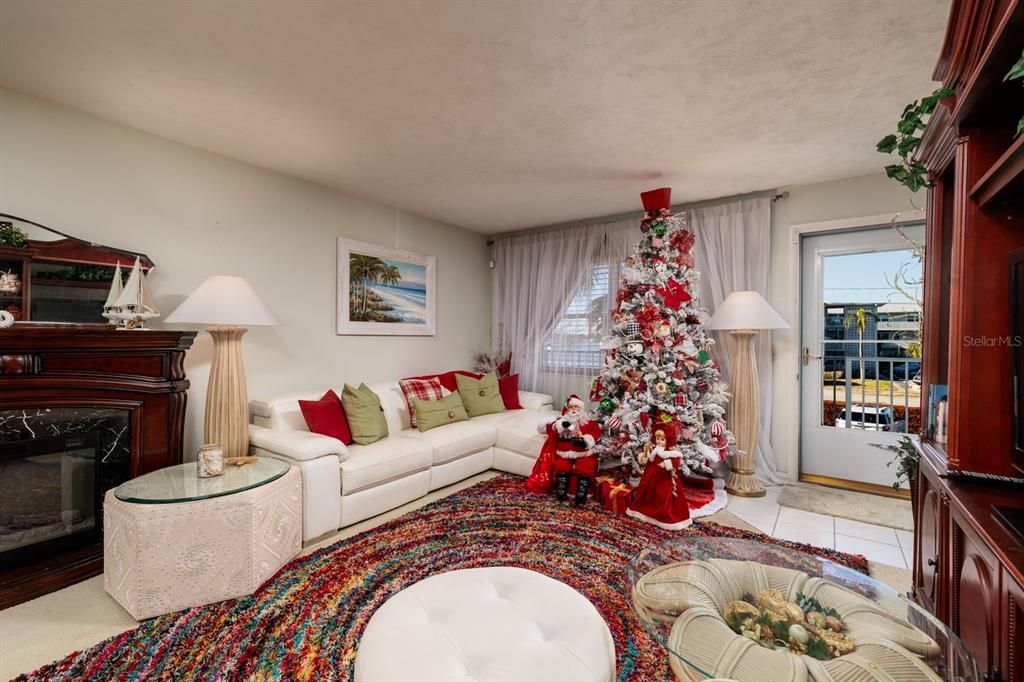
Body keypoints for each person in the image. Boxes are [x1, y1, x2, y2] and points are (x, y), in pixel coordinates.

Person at [526, 394, 602, 506]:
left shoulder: (589, 423)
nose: (574, 410)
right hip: (564, 453)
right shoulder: (562, 421)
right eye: (571, 407)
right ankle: (561, 495)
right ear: (567, 409)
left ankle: (581, 497)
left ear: (581, 409)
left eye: (577, 407)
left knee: (585, 468)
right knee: (562, 467)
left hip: (583, 453)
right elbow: (551, 426)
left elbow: (595, 433)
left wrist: (586, 441)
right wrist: (561, 425)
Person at [626, 425, 693, 529]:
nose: (659, 441)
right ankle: (646, 510)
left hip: (664, 477)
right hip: (651, 474)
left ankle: (662, 516)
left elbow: (676, 461)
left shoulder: (671, 451)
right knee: (647, 491)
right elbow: (647, 456)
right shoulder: (653, 447)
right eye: (658, 439)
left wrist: (667, 464)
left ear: (668, 440)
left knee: (663, 494)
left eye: (662, 439)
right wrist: (643, 458)